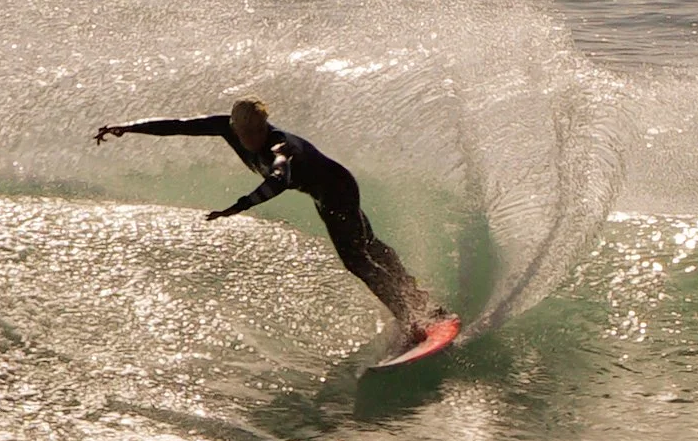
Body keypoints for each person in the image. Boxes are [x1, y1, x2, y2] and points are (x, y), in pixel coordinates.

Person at [95, 96, 451, 344]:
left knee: (357, 258)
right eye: (243, 133)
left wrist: (238, 207)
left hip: (337, 189)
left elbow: (279, 179)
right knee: (366, 247)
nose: (249, 140)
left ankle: (414, 317)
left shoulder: (281, 146)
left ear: (264, 126)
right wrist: (128, 127)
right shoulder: (228, 127)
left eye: (255, 132)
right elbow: (179, 126)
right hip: (322, 193)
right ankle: (418, 300)